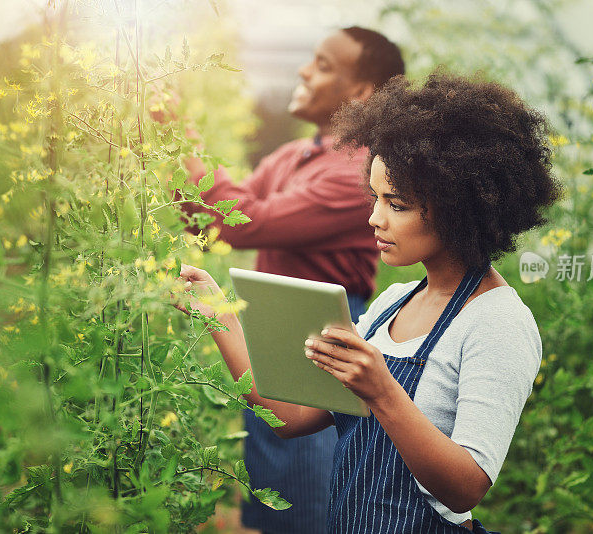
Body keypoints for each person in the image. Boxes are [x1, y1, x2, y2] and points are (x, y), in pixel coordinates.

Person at [174, 71, 562, 533]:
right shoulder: (391, 305)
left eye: (396, 204)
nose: (374, 218)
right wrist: (216, 313)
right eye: (375, 197)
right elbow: (289, 418)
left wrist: (381, 390)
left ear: (461, 205)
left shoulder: (498, 321)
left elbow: (466, 487)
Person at [167, 27, 405, 534]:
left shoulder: (359, 173)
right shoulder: (292, 157)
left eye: (322, 64)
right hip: (272, 327)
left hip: (320, 335)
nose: (303, 70)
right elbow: (216, 220)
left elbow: (241, 219)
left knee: (307, 495)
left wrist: (177, 129)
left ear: (360, 91)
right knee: (275, 485)